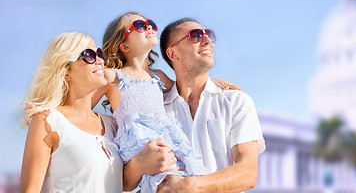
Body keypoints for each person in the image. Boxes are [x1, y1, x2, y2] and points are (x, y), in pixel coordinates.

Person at [95, 12, 237, 192]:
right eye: (139, 25)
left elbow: (185, 86)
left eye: (151, 24)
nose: (148, 27)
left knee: (184, 173)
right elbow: (82, 101)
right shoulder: (113, 76)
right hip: (138, 140)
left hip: (167, 136)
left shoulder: (158, 76)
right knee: (163, 179)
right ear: (124, 45)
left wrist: (212, 82)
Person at [154, 17, 266, 192]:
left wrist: (190, 186)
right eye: (196, 35)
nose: (207, 40)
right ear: (173, 54)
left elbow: (248, 172)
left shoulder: (236, 101)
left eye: (209, 34)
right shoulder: (155, 111)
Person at [20, 32, 123, 192]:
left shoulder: (112, 125)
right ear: (66, 72)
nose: (100, 60)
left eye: (99, 54)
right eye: (89, 55)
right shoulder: (47, 120)